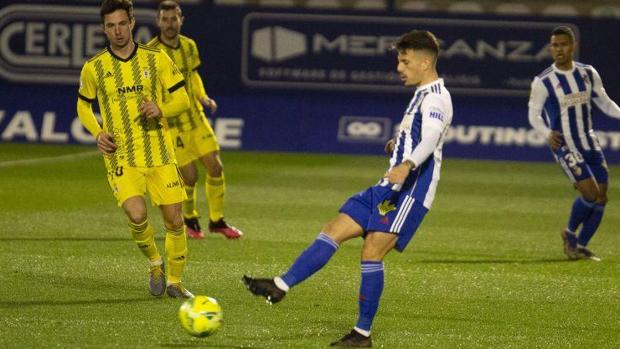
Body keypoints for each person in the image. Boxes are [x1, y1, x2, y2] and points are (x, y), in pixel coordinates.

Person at [243, 30, 453, 348]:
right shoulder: (423, 94)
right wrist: (398, 146)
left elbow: (431, 137)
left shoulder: (436, 96)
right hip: (389, 186)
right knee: (334, 229)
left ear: (425, 63)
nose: (399, 66)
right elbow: (420, 134)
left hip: (410, 191)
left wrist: (407, 163)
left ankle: (362, 334)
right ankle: (280, 285)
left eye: (405, 60)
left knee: (371, 252)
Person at [77, 0, 194, 298]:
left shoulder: (156, 59)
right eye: (110, 26)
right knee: (137, 214)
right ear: (104, 28)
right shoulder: (94, 67)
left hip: (159, 152)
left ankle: (175, 283)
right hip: (121, 155)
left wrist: (161, 108)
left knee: (174, 219)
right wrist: (98, 132)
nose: (117, 31)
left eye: (121, 24)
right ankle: (156, 263)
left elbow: (183, 100)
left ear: (131, 23)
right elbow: (83, 105)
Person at [146, 0, 243, 240]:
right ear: (159, 21)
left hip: (196, 118)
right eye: (165, 20)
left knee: (216, 166)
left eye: (174, 19)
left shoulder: (189, 46)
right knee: (189, 177)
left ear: (181, 19)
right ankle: (190, 219)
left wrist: (203, 96)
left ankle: (217, 220)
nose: (169, 24)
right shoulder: (151, 53)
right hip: (173, 125)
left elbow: (193, 75)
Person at [528, 26, 620, 262]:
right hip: (565, 144)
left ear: (573, 46)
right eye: (555, 45)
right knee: (590, 192)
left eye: (563, 44)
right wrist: (546, 134)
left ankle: (578, 246)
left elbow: (606, 102)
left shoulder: (588, 73)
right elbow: (533, 114)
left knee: (602, 196)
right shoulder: (543, 81)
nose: (559, 49)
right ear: (551, 48)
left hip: (589, 141)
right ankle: (570, 233)